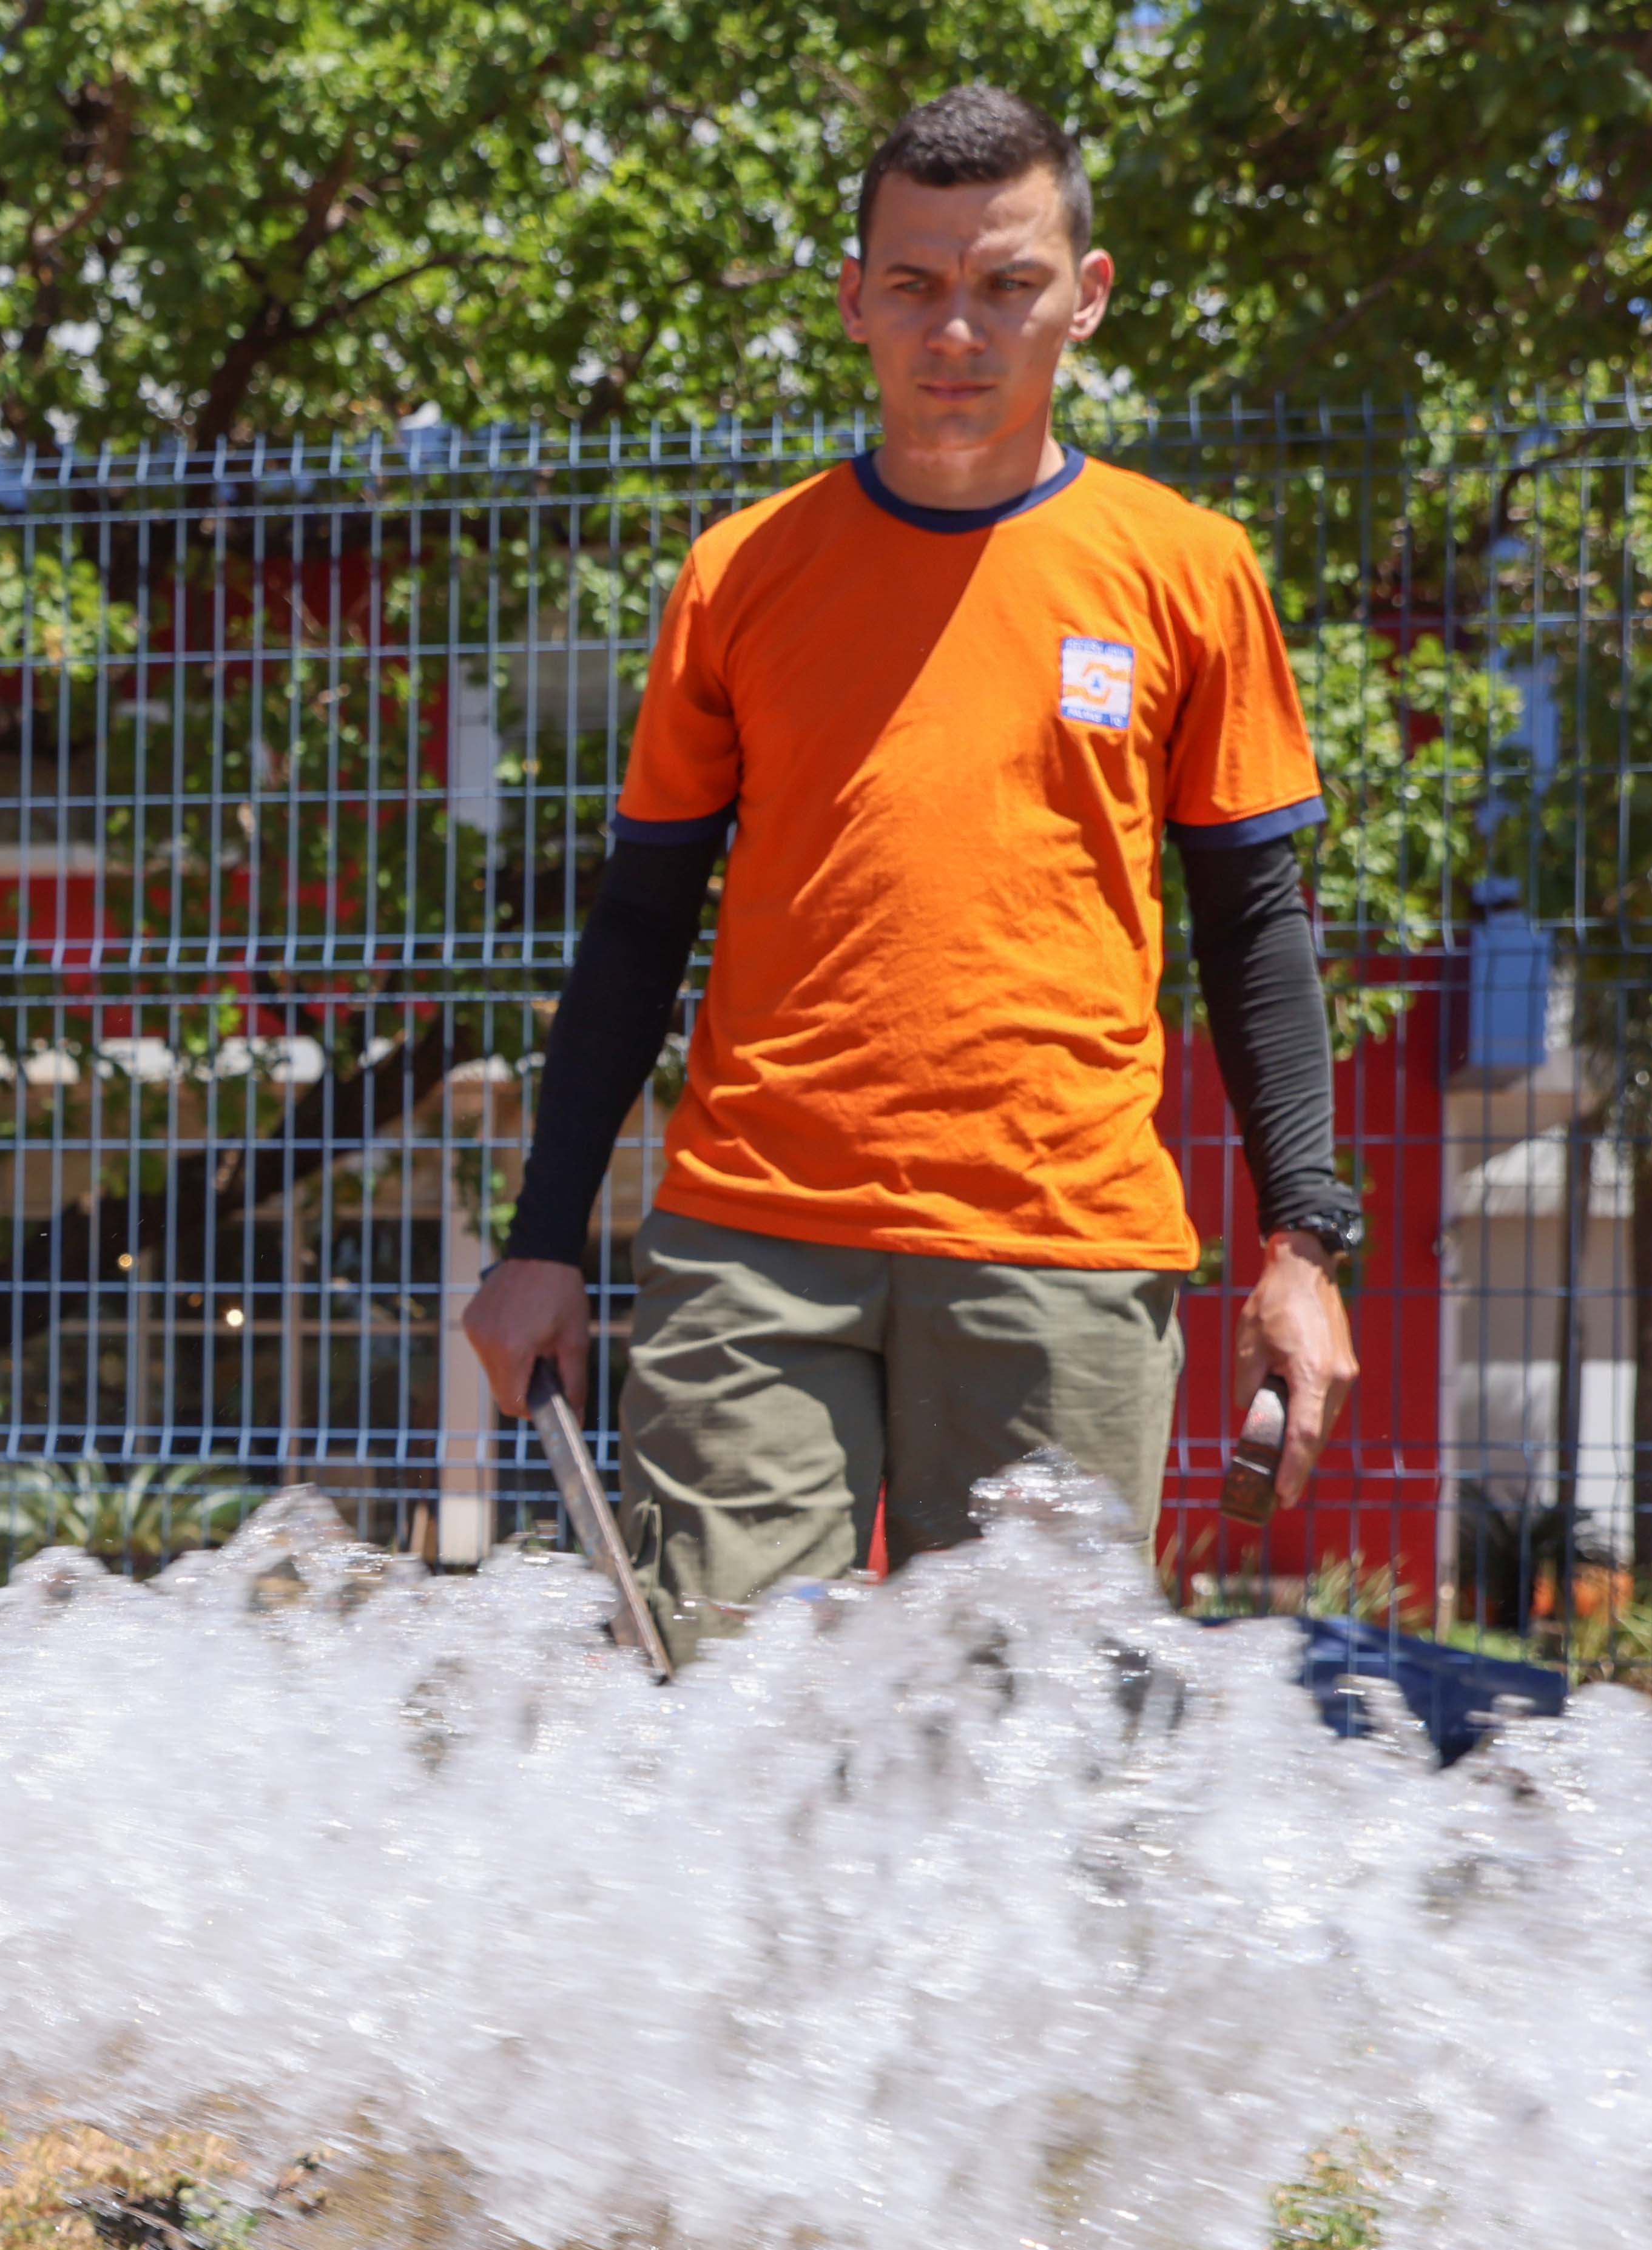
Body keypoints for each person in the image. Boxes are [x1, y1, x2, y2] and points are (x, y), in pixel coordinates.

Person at [462, 83, 1360, 1654]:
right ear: (853, 302)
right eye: (915, 284)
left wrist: (1301, 1249)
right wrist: (540, 1238)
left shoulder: (1185, 570)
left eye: (1005, 283)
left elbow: (1255, 931)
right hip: (750, 1245)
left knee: (1024, 1762)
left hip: (1059, 1250)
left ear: (1083, 299)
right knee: (729, 1726)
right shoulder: (740, 574)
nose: (959, 328)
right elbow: (635, 928)